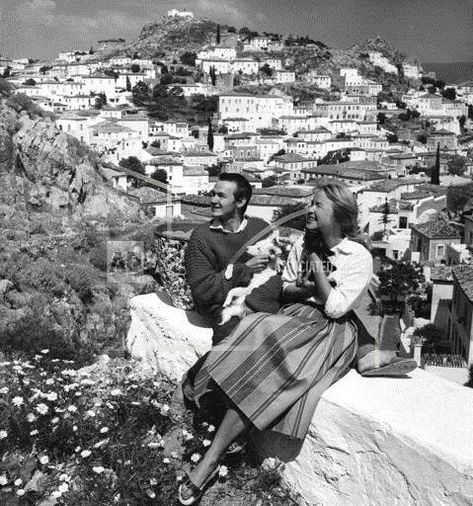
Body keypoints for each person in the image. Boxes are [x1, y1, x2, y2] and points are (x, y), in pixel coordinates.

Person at [177, 180, 414, 505]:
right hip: (296, 314)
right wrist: (305, 286)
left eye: (318, 205)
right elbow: (286, 287)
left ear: (339, 215)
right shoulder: (304, 242)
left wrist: (316, 272)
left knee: (262, 344)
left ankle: (209, 458)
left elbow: (335, 307)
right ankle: (219, 445)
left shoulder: (356, 255)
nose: (309, 209)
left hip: (329, 331)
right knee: (253, 336)